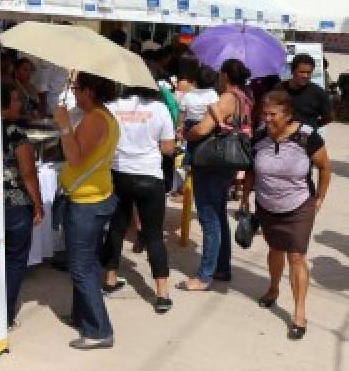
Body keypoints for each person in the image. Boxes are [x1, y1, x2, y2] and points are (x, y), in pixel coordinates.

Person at [240, 90, 331, 339]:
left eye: (273, 114)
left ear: (288, 114)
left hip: (299, 204)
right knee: (274, 249)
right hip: (266, 204)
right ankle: (273, 289)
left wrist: (320, 198)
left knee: (297, 257)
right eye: (264, 113)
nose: (267, 119)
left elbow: (324, 167)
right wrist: (245, 198)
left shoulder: (307, 137)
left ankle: (299, 312)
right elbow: (250, 171)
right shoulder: (259, 136)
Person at [55, 72, 120, 349]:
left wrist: (64, 126)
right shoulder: (103, 116)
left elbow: (75, 156)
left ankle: (99, 330)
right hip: (94, 197)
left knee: (81, 266)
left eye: (78, 89)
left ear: (90, 91)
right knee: (88, 262)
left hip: (87, 201)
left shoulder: (95, 119)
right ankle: (83, 316)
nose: (75, 94)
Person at [100, 85, 177, 314]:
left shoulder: (111, 107)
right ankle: (162, 293)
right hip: (149, 176)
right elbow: (167, 149)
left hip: (119, 174)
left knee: (116, 228)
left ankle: (110, 279)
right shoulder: (160, 109)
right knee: (153, 234)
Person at [181, 59, 254, 291]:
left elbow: (202, 129)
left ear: (224, 75)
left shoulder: (227, 98)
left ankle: (205, 275)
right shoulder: (245, 97)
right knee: (219, 214)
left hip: (212, 164)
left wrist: (187, 134)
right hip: (226, 164)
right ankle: (222, 266)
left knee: (209, 217)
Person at [1, 85, 44, 326]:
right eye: (17, 100)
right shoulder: (15, 133)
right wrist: (38, 204)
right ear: (5, 104)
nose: (21, 105)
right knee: (15, 260)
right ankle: (4, 315)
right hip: (15, 206)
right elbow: (28, 173)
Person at [278, 53, 332, 129]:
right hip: (280, 134)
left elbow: (328, 118)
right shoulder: (279, 89)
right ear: (292, 71)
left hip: (306, 138)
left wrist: (312, 127)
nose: (305, 76)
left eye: (308, 73)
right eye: (302, 72)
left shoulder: (319, 93)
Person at [12, 57, 42, 121]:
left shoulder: (32, 88)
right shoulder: (12, 87)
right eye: (25, 70)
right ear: (16, 71)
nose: (28, 73)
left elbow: (37, 108)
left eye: (30, 70)